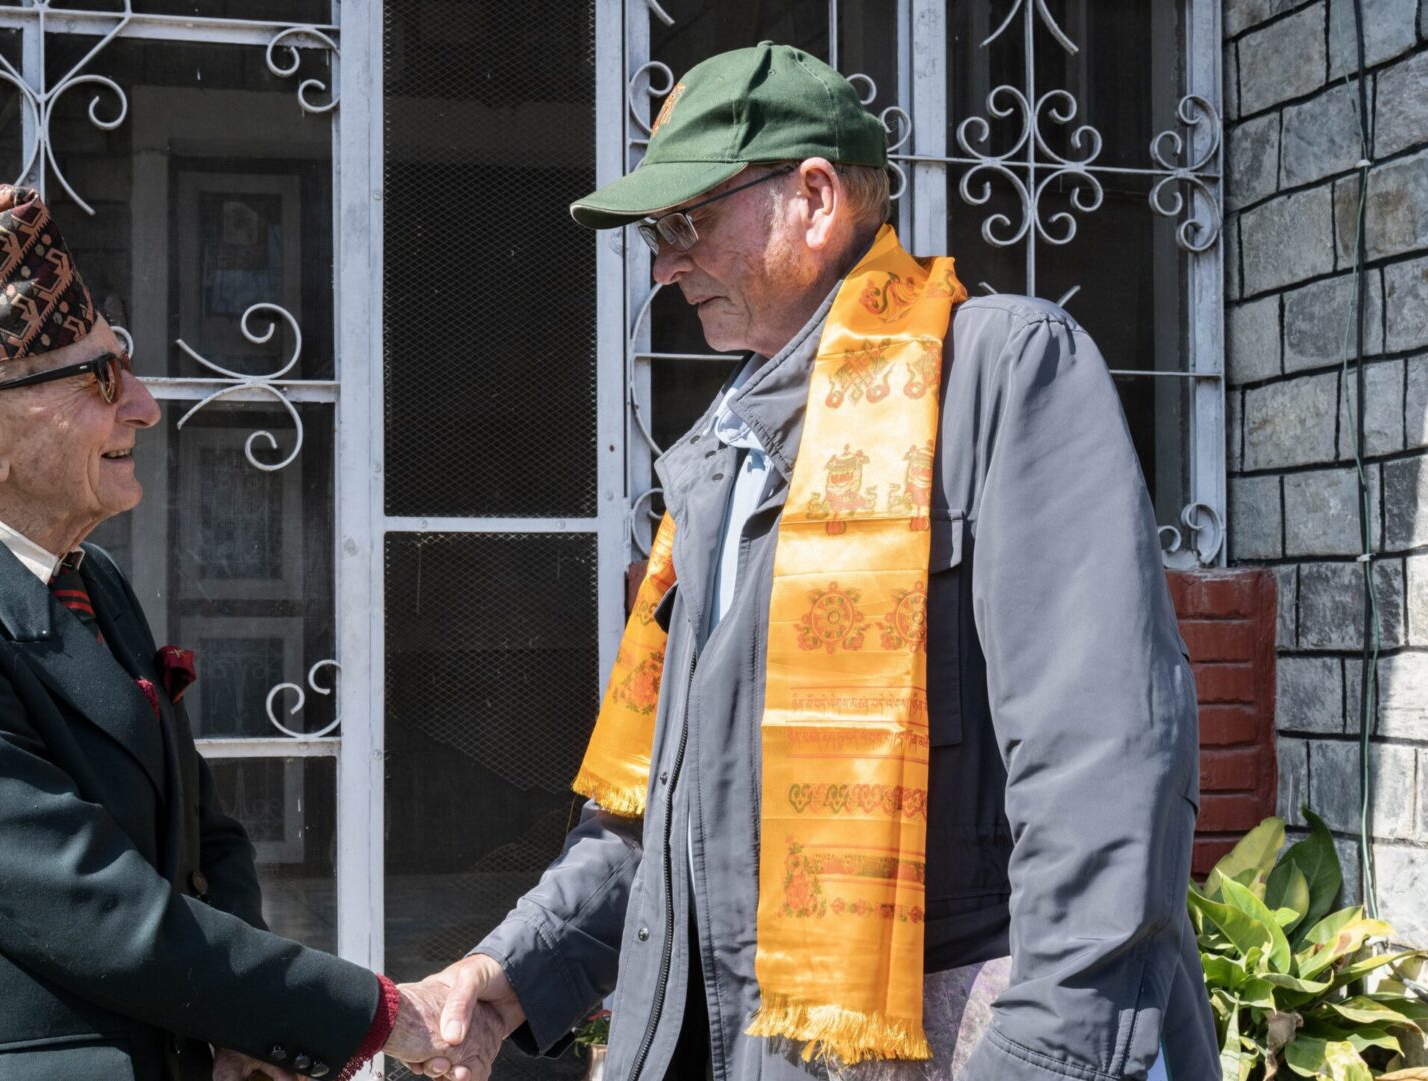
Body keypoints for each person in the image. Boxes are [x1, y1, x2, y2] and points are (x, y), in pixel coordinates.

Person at [417, 42, 1218, 1081]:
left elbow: (1107, 772)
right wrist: (508, 974)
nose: (664, 263)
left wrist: (1046, 1059)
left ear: (814, 198)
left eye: (687, 222)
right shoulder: (718, 461)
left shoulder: (999, 374)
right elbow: (662, 820)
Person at [0, 184, 503, 1081]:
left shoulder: (92, 579)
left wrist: (246, 1026)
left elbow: (205, 839)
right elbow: (89, 904)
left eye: (124, 363)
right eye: (99, 379)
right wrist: (375, 1013)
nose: (143, 404)